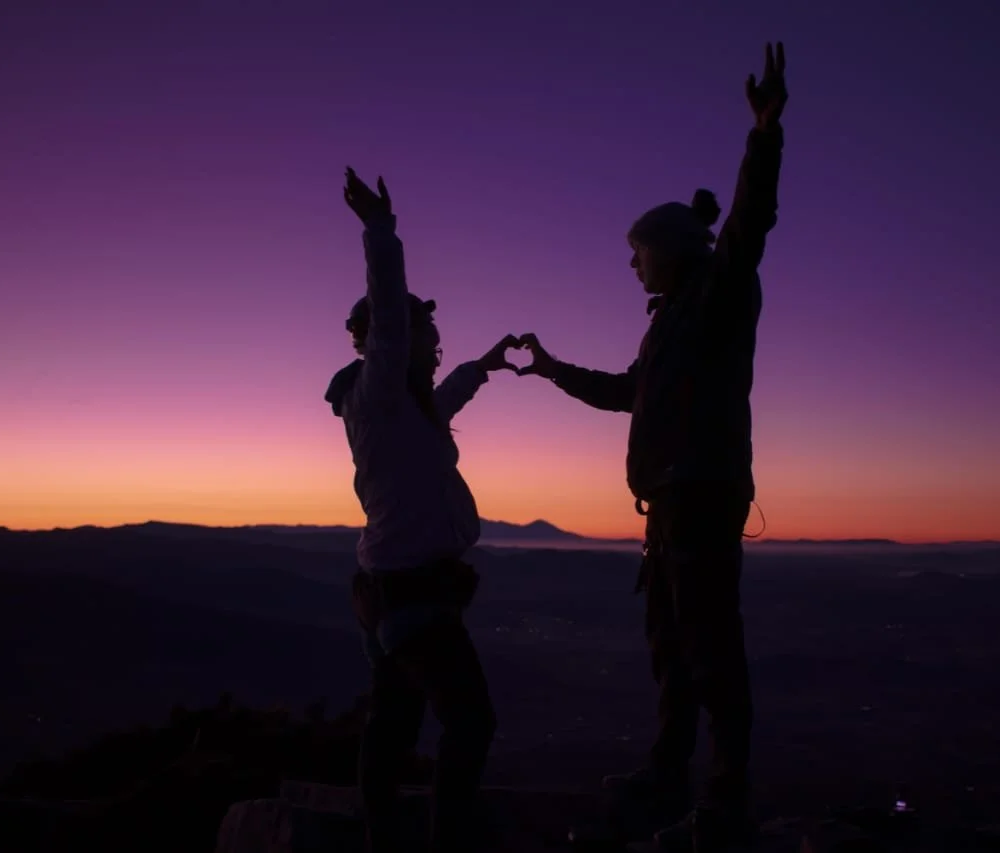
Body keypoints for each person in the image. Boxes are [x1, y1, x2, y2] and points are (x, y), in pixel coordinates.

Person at [516, 43, 789, 852]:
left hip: (700, 494)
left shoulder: (720, 291)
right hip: (672, 501)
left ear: (668, 249)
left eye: (638, 251)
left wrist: (764, 132)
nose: (630, 264)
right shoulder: (671, 317)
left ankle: (726, 793)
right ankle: (671, 772)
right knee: (674, 648)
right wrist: (551, 369)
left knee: (708, 647)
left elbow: (749, 224)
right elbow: (625, 392)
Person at [323, 167, 521, 853]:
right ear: (393, 339)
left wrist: (485, 364)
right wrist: (381, 230)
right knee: (470, 721)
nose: (435, 343)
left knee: (396, 719)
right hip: (410, 594)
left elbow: (449, 399)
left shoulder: (406, 407)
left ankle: (383, 833)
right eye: (425, 333)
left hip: (396, 590)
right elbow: (387, 325)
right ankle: (448, 838)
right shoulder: (378, 394)